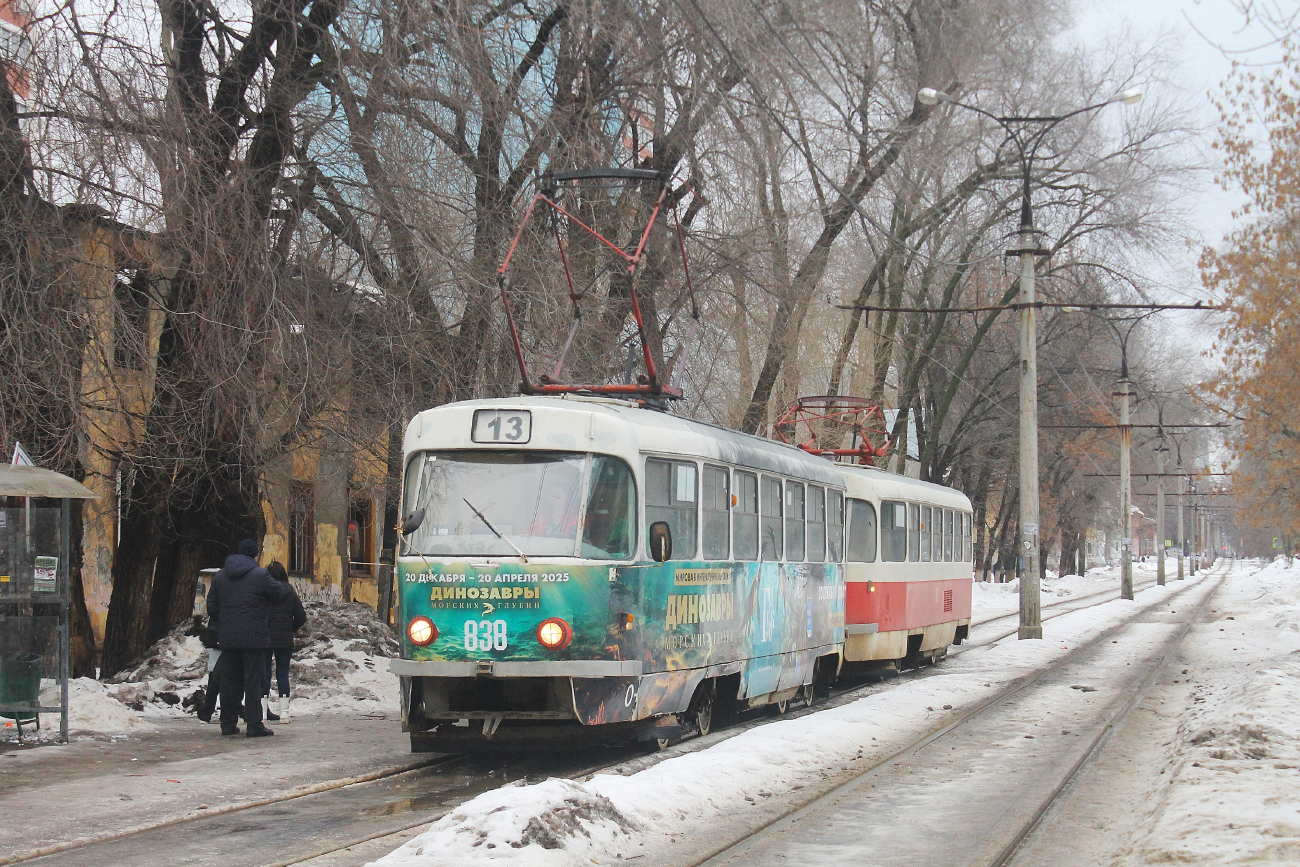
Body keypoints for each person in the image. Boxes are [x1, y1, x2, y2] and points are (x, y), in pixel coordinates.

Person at [207, 539, 292, 737]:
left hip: (228, 638)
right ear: (255, 555)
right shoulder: (261, 575)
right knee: (254, 679)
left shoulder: (220, 577)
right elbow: (279, 593)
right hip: (255, 638)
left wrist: (225, 622)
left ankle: (228, 724)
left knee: (229, 681)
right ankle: (254, 725)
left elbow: (212, 606)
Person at [262, 560, 306, 724]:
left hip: (265, 638)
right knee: (282, 674)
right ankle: (284, 713)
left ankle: (263, 714)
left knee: (264, 674)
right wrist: (289, 628)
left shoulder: (264, 592)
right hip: (284, 639)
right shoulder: (290, 591)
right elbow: (301, 616)